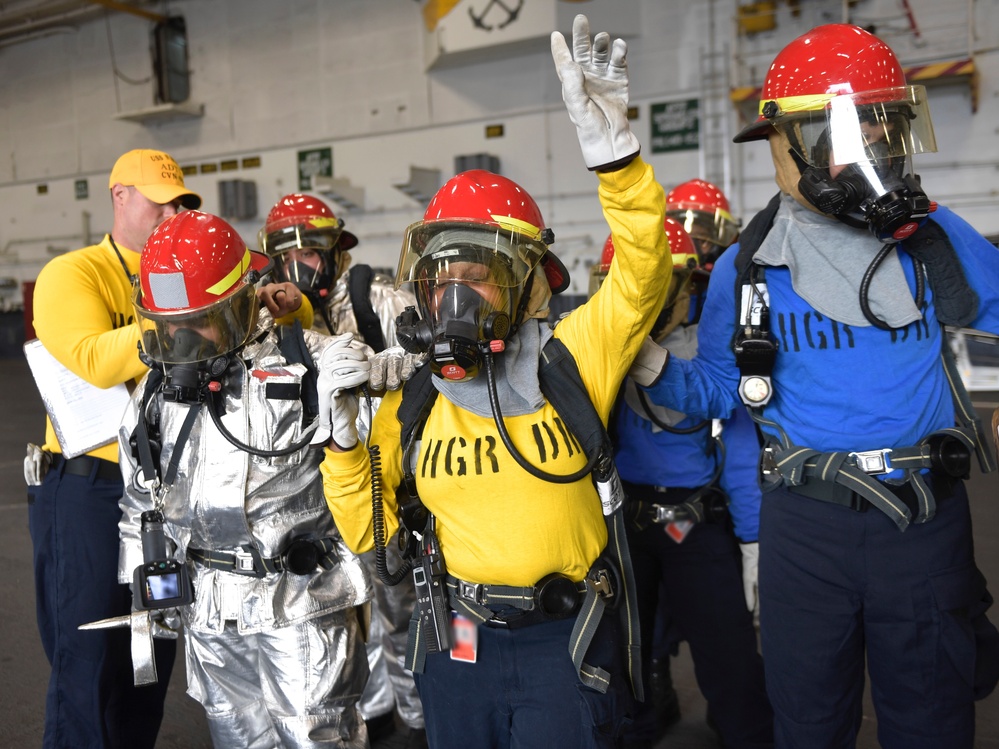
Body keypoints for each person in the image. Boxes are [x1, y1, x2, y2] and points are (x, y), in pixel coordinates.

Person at [627, 24, 999, 749]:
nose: (864, 155)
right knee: (807, 722)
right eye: (841, 134)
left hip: (920, 517)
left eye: (877, 130)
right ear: (782, 146)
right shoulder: (745, 266)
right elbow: (715, 390)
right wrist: (646, 366)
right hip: (804, 525)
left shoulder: (931, 238)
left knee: (932, 719)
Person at [320, 13, 671, 748]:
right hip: (456, 638)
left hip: (563, 640)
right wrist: (343, 441)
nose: (454, 299)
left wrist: (616, 159)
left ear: (528, 287)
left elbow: (642, 275)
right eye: (440, 277)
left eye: (476, 276)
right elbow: (371, 531)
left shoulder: (572, 354)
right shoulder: (414, 394)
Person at [118, 209, 372, 748]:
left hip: (302, 601)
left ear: (243, 300)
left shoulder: (313, 363)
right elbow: (141, 499)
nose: (184, 342)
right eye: (171, 328)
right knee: (236, 736)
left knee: (316, 736)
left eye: (199, 322)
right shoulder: (156, 394)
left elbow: (378, 453)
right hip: (208, 609)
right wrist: (148, 600)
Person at [26, 148, 200, 749]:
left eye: (179, 201)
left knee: (151, 652)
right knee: (89, 655)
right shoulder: (72, 273)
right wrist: (195, 313)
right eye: (159, 198)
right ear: (119, 196)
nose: (171, 211)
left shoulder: (183, 274)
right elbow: (97, 361)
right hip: (90, 486)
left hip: (167, 490)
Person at [595, 217, 773, 749]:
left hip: (695, 524)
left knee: (730, 659)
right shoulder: (604, 342)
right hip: (624, 522)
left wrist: (751, 538)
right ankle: (640, 731)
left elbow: (741, 445)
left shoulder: (713, 348)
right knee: (629, 655)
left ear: (686, 284)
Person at [259, 193, 427, 748]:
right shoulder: (266, 321)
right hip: (314, 491)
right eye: (288, 256)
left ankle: (419, 720)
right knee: (341, 615)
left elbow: (431, 358)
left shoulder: (377, 297)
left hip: (384, 480)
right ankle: (372, 718)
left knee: (399, 606)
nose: (302, 266)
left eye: (315, 252)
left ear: (338, 253)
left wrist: (377, 368)